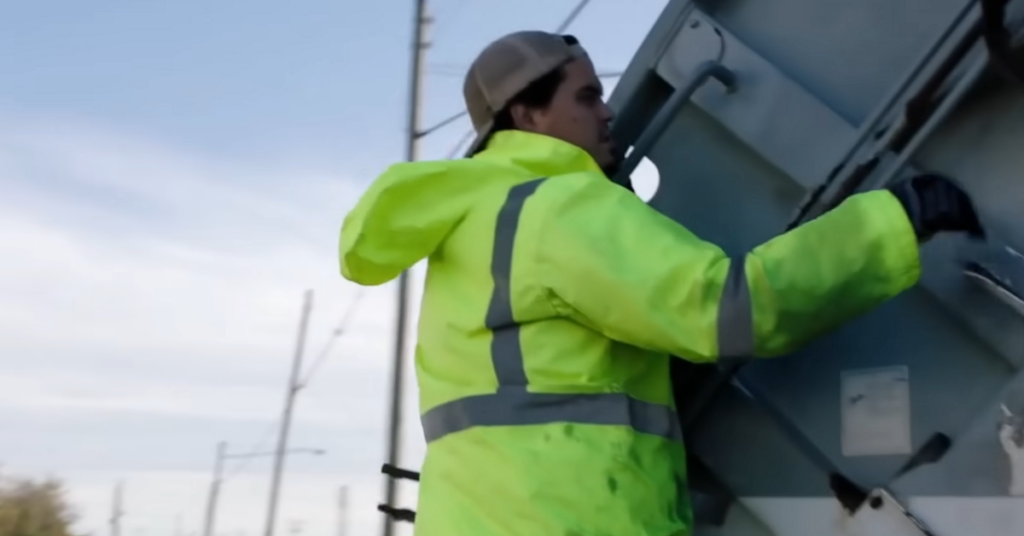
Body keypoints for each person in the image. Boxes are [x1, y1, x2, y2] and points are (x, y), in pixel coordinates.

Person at [338, 30, 984, 536]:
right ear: (528, 116)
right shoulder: (561, 208)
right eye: (586, 96)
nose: (607, 110)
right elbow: (728, 309)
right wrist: (894, 221)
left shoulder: (471, 227)